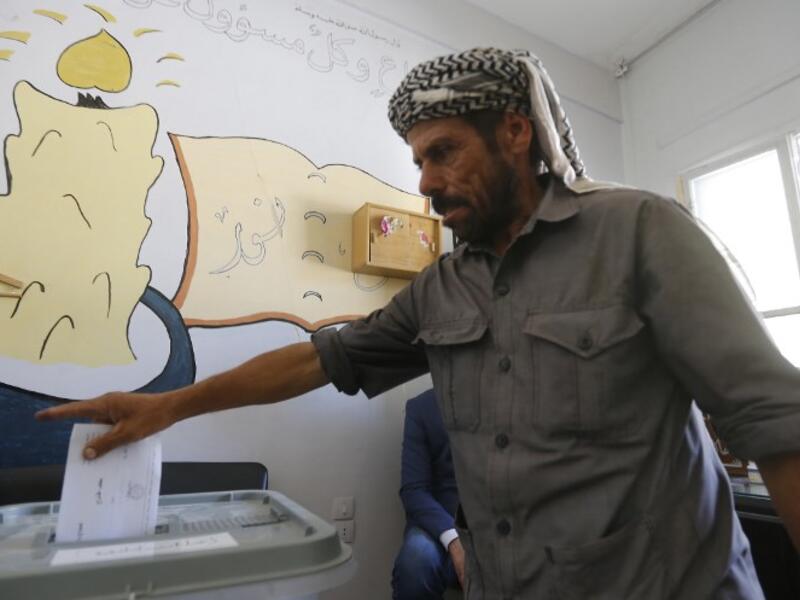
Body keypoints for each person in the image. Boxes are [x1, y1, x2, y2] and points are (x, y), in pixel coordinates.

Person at [37, 47, 800, 599]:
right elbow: (318, 359)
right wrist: (168, 406)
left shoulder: (640, 232)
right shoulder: (442, 290)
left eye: (444, 153)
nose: (428, 182)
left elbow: (776, 424)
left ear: (515, 133)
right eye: (418, 162)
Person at [392, 388, 462, 599]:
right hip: (439, 523)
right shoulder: (422, 407)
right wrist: (453, 540)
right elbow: (414, 490)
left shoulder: (511, 399)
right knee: (415, 562)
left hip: (496, 519)